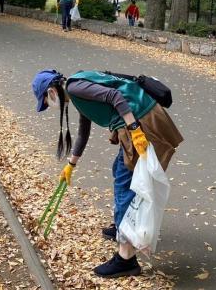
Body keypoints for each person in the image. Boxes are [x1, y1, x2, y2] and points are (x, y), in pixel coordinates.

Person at [32, 69, 183, 278]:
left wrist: (134, 127)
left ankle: (126, 258)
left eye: (46, 102)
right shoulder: (76, 89)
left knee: (124, 183)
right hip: (138, 121)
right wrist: (71, 165)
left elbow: (114, 96)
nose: (49, 106)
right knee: (120, 171)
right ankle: (121, 227)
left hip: (141, 123)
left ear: (50, 91)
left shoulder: (75, 88)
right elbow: (83, 132)